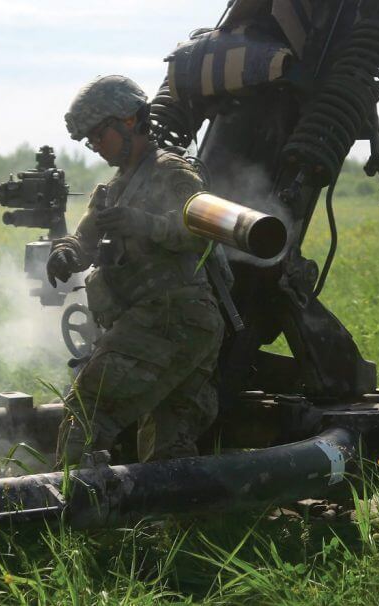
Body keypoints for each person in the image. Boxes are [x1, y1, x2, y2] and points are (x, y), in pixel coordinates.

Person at [47, 75, 224, 464]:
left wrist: (143, 223)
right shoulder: (112, 189)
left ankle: (67, 512)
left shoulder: (172, 173)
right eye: (89, 140)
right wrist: (65, 253)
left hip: (172, 317)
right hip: (165, 323)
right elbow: (84, 241)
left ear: (129, 122)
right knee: (167, 447)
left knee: (88, 408)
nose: (95, 146)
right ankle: (171, 520)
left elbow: (201, 234)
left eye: (98, 135)